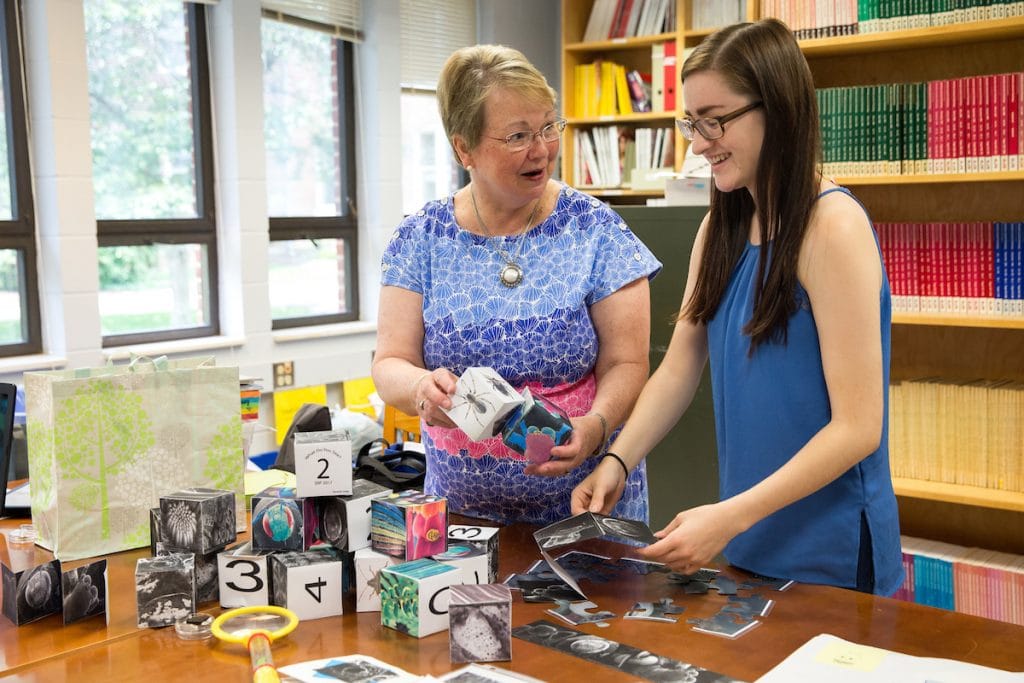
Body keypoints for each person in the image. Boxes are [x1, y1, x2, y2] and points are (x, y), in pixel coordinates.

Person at [571, 18, 904, 595]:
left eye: (715, 121)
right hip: (749, 536)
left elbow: (858, 429)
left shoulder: (834, 227)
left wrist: (729, 516)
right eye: (691, 123)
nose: (698, 143)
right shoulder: (720, 225)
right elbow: (679, 367)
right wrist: (617, 462)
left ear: (776, 108)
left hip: (831, 550)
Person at [372, 44, 661, 526]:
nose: (542, 149)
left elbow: (628, 362)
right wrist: (421, 386)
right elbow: (388, 363)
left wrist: (594, 428)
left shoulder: (595, 230)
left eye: (549, 126)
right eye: (518, 135)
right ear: (464, 148)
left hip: (585, 509)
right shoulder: (419, 238)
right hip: (463, 516)